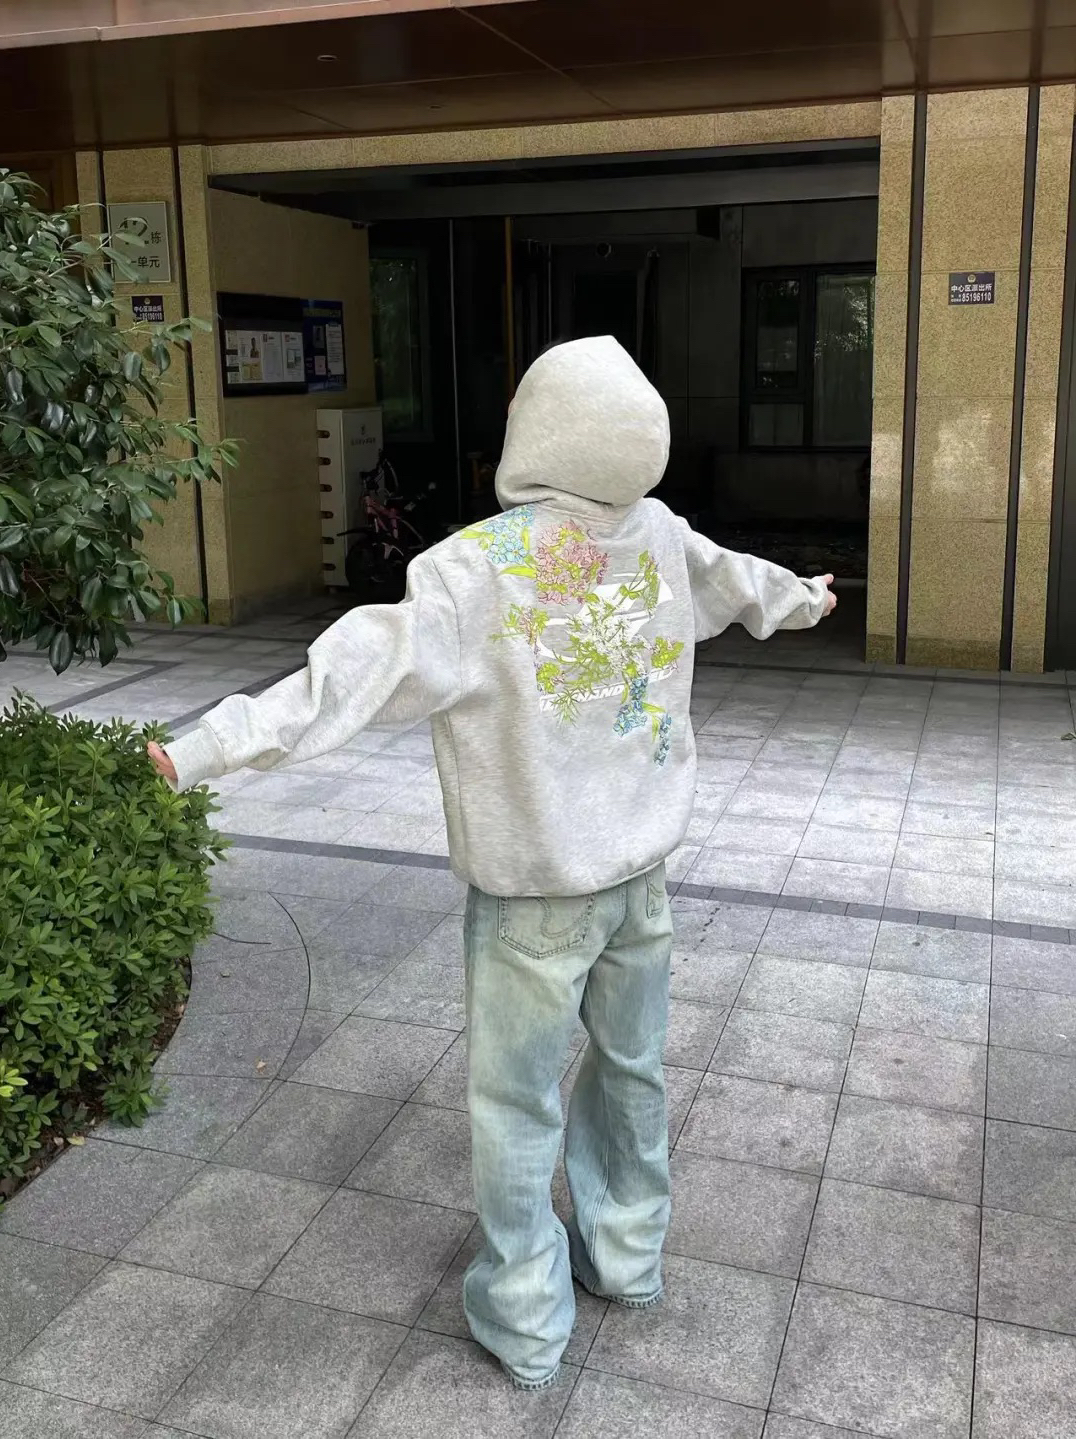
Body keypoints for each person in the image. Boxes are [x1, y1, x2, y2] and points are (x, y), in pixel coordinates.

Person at [149, 336, 836, 1391]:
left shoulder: (479, 570)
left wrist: (204, 746)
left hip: (533, 900)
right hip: (641, 883)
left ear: (541, 431)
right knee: (632, 1072)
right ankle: (628, 1258)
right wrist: (805, 598)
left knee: (517, 1106)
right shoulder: (657, 535)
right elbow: (740, 581)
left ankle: (525, 1318)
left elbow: (349, 675)